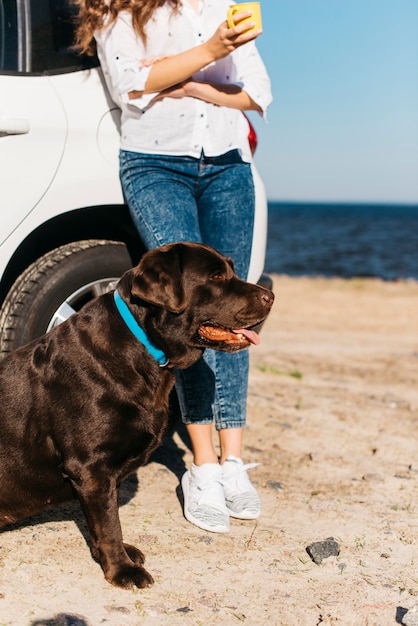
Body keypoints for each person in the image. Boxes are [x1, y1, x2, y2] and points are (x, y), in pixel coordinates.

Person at [75, 0, 272, 534]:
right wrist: (210, 54)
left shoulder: (224, 7)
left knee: (234, 312)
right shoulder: (124, 12)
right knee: (190, 312)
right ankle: (202, 466)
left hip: (229, 163)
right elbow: (130, 82)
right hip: (156, 161)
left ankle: (233, 461)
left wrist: (192, 85)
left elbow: (257, 92)